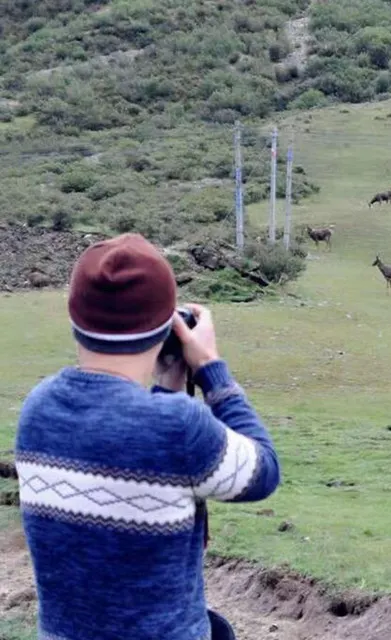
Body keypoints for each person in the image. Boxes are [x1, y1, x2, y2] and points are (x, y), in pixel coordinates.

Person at [14, 233, 281, 640]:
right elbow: (263, 472)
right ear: (167, 327)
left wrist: (171, 386)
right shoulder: (179, 427)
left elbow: (147, 481)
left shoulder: (37, 410)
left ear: (75, 320)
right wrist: (210, 368)